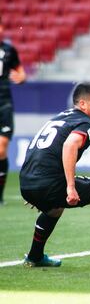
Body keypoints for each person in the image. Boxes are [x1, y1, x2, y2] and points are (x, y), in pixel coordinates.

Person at [19, 82, 90, 270]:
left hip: (27, 182)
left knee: (55, 207)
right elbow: (69, 145)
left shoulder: (60, 116)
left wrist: (35, 184)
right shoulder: (86, 123)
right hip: (47, 183)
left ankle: (35, 256)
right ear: (83, 104)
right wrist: (70, 187)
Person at [0, 17, 26, 205]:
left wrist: (21, 77)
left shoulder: (9, 50)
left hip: (3, 103)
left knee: (1, 149)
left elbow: (20, 72)